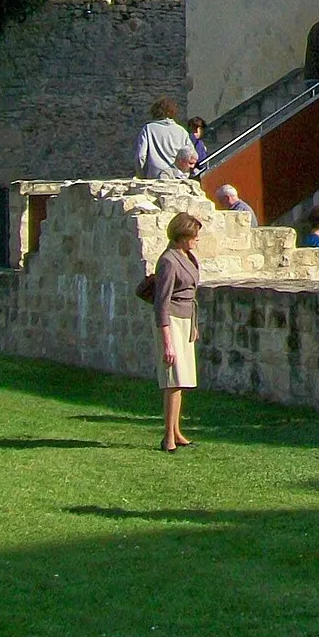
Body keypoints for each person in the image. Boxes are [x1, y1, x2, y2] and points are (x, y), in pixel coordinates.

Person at [153, 210, 203, 452]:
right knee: (173, 380)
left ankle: (176, 430)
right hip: (171, 321)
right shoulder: (168, 261)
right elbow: (161, 303)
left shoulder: (189, 258)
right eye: (194, 236)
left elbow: (191, 293)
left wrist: (193, 325)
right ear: (182, 236)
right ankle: (167, 437)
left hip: (185, 320)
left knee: (182, 381)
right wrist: (167, 342)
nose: (197, 240)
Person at [135, 98, 197, 181]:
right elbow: (190, 155)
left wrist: (141, 176)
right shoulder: (182, 131)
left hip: (154, 178)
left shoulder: (148, 129)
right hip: (176, 177)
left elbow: (141, 156)